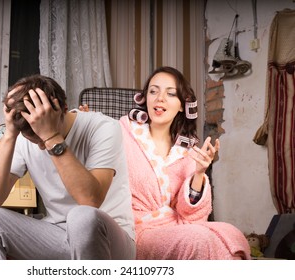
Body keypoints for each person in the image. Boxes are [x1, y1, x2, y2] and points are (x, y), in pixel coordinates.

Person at [80, 66, 251, 259]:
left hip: (173, 227)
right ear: (145, 98)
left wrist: (199, 172)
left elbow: (191, 216)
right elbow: (92, 165)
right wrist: (87, 129)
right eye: (153, 91)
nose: (160, 98)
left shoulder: (186, 152)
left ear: (181, 105)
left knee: (232, 234)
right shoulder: (120, 132)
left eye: (170, 94)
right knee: (198, 239)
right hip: (134, 230)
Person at [0, 74, 136, 260]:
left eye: (41, 139)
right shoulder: (24, 135)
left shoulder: (104, 127)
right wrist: (10, 134)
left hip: (108, 240)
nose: (42, 146)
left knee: (82, 217)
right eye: (34, 140)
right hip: (57, 235)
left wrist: (51, 137)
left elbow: (90, 200)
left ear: (63, 109)